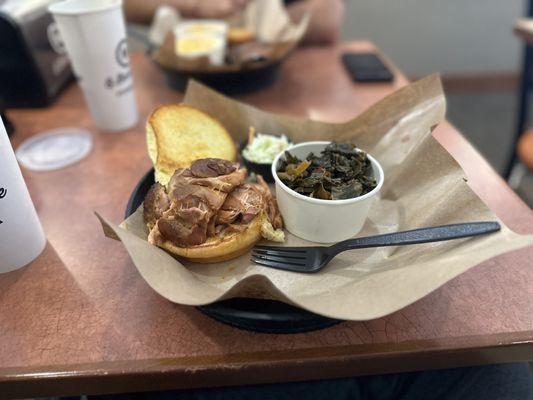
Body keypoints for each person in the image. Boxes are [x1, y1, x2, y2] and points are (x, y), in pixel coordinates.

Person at [124, 0, 345, 45]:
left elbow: (329, 17)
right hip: (177, 78)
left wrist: (265, 18)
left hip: (275, 77)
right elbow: (122, 6)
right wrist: (195, 6)